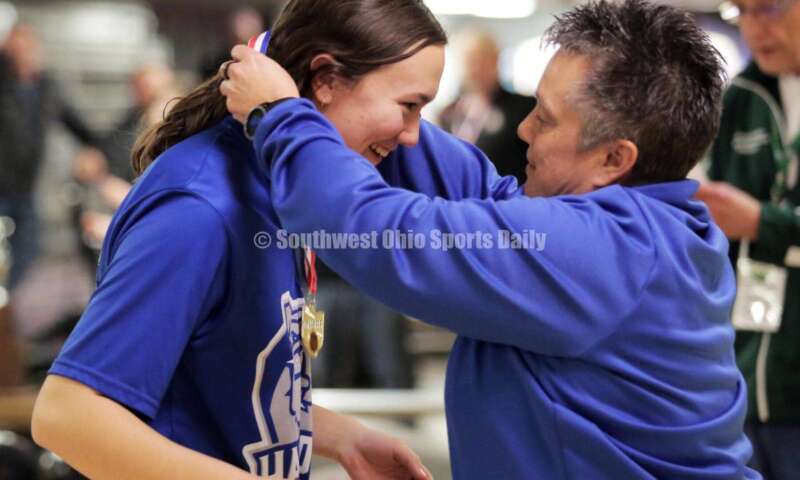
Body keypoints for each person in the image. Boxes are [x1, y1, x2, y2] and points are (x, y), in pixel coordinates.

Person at [222, 0, 760, 478]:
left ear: (614, 158)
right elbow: (478, 192)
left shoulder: (606, 254)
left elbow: (373, 229)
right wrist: (377, 109)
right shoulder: (655, 226)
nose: (523, 130)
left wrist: (279, 117)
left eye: (545, 120)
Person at [30, 1, 447, 479]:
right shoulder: (200, 209)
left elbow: (230, 378)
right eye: (408, 106)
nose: (414, 136)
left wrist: (342, 436)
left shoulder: (273, 185)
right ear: (326, 80)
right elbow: (67, 415)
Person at [701, 1, 800, 478]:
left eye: (771, 9)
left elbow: (759, 221)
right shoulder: (739, 97)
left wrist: (767, 223)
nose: (757, 28)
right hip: (746, 376)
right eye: (744, 12)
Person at [0, 23, 100, 291]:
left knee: (26, 257)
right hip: (1, 186)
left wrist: (94, 149)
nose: (23, 54)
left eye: (28, 47)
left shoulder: (46, 87)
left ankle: (9, 318)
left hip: (26, 188)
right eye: (16, 48)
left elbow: (81, 126)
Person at [439, 31, 536, 184]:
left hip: (507, 198)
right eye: (470, 61)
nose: (477, 68)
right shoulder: (447, 113)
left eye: (483, 60)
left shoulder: (524, 108)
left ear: (496, 61)